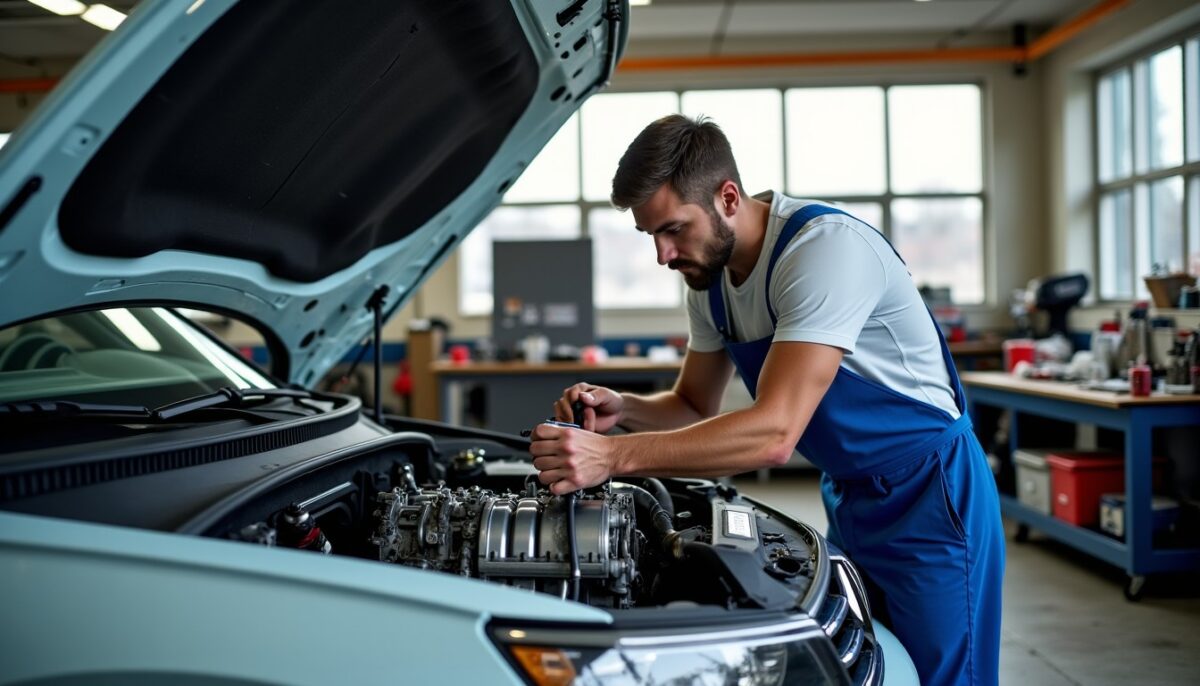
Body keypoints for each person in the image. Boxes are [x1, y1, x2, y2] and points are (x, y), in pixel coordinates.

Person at [527, 114, 1004, 686]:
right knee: (865, 669)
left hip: (933, 494)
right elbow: (693, 406)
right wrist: (622, 408)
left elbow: (776, 434)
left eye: (674, 229)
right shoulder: (712, 283)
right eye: (651, 235)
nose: (663, 254)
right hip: (852, 494)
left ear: (728, 197)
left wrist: (611, 458)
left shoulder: (823, 252)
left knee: (946, 676)